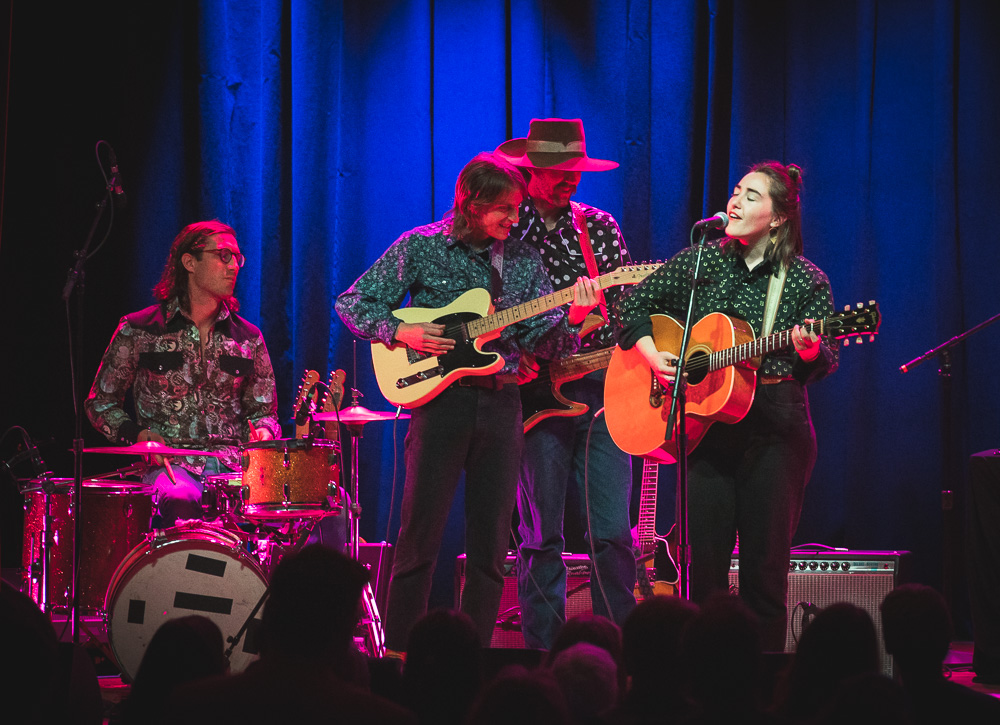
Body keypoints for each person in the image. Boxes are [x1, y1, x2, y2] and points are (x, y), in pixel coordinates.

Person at [336, 152, 599, 651]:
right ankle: (396, 652)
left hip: (503, 403)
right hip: (439, 405)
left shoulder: (521, 259)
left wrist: (575, 319)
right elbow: (352, 302)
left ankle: (475, 656)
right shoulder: (420, 246)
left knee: (491, 546)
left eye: (519, 208)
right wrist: (402, 329)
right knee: (419, 539)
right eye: (505, 208)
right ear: (472, 202)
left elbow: (545, 341)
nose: (515, 219)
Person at [611, 161, 838, 650]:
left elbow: (824, 361)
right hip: (707, 429)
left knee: (764, 571)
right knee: (703, 570)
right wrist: (654, 357)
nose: (735, 201)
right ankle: (703, 687)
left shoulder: (804, 280)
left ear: (778, 218)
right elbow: (630, 307)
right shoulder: (703, 260)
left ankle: (763, 689)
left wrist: (811, 350)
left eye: (752, 196)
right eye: (737, 191)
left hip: (776, 428)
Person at [495, 118, 637, 649]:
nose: (569, 180)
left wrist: (605, 319)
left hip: (601, 392)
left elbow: (626, 309)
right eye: (557, 172)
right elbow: (484, 312)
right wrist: (515, 356)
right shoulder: (507, 227)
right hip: (533, 397)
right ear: (529, 171)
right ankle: (542, 656)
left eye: (575, 170)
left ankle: (618, 656)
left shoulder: (597, 227)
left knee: (613, 534)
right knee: (541, 537)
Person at [86, 220, 279, 527]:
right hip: (172, 467)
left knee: (325, 506)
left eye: (237, 258)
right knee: (182, 498)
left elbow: (264, 412)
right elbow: (100, 402)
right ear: (189, 261)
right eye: (223, 256)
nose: (234, 266)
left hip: (235, 470)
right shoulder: (139, 329)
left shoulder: (248, 337)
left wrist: (264, 432)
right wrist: (138, 437)